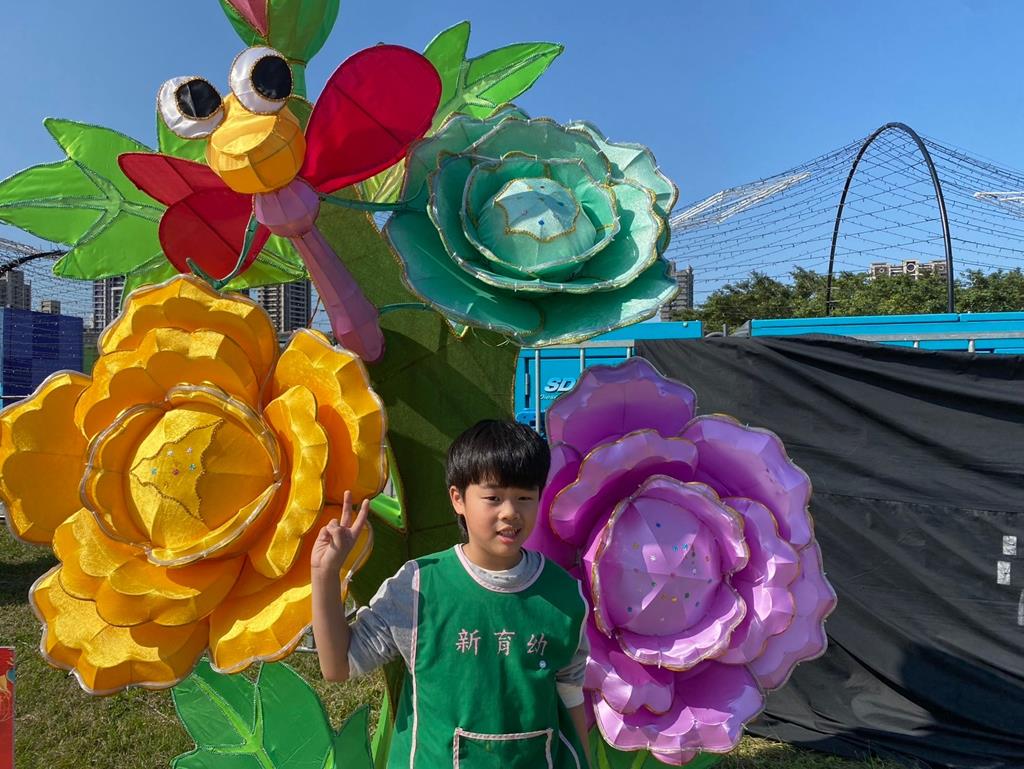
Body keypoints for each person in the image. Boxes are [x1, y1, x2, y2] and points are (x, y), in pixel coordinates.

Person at [312, 419, 592, 769]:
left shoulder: (563, 596)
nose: (510, 512)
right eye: (493, 498)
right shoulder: (419, 587)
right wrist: (324, 574)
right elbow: (339, 665)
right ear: (458, 499)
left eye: (524, 497)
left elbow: (569, 692)